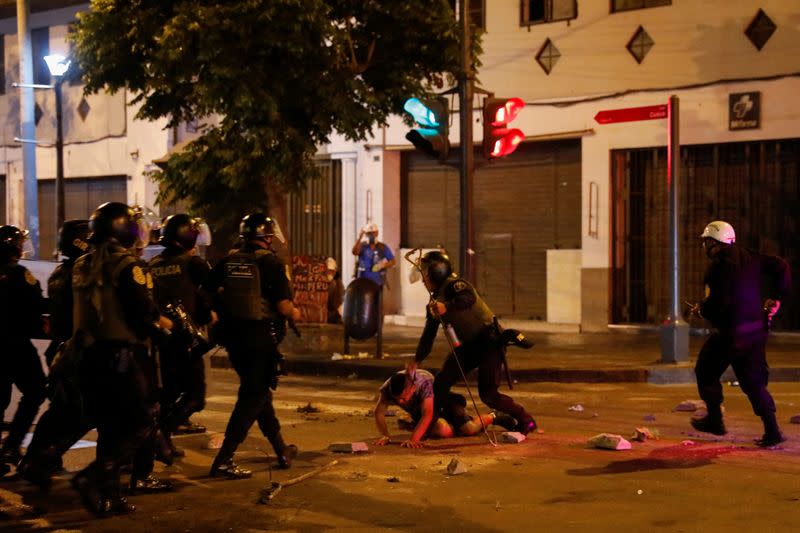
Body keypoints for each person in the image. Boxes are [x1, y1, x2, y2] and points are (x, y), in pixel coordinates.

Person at [70, 202, 173, 516]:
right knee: (142, 420)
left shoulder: (82, 264)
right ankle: (92, 477)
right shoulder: (130, 267)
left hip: (87, 356)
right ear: (124, 230)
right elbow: (143, 316)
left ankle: (109, 495)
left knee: (110, 426)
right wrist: (164, 328)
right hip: (123, 355)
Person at [204, 213, 301, 479]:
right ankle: (224, 458)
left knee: (259, 395)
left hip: (234, 341)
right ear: (267, 238)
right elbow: (283, 306)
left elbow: (207, 291)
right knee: (252, 398)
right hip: (260, 340)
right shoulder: (270, 263)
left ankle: (281, 449)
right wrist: (295, 313)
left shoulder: (228, 260)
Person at [408, 250, 537, 436]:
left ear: (437, 272)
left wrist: (448, 306)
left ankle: (527, 421)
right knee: (441, 382)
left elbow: (468, 298)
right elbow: (429, 333)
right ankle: (430, 422)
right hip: (467, 347)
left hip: (489, 342)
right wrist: (417, 360)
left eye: (426, 273)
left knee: (488, 395)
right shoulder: (434, 301)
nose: (423, 279)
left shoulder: (456, 286)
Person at [689, 221, 791, 447]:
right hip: (755, 331)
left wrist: (701, 309)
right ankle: (772, 430)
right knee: (754, 382)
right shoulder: (750, 256)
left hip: (730, 334)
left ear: (714, 243)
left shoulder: (717, 268)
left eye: (706, 242)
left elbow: (719, 303)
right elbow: (782, 266)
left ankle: (715, 421)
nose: (705, 247)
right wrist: (777, 297)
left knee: (705, 371)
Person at [17, 220, 91, 487]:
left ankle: (36, 458)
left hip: (60, 350)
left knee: (59, 409)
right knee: (82, 412)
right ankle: (43, 460)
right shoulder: (82, 272)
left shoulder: (60, 271)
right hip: (77, 352)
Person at [149, 214, 215, 455]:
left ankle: (162, 439)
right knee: (196, 397)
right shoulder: (193, 264)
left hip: (163, 339)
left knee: (170, 392)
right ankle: (161, 434)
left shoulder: (152, 264)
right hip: (187, 339)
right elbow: (211, 292)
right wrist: (209, 315)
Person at [0, 225, 47, 476]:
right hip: (15, 345)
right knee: (36, 390)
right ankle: (12, 444)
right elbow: (35, 308)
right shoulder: (19, 274)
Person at [373, 369, 516, 448]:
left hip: (444, 402)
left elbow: (428, 413)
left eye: (404, 398)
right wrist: (385, 435)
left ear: (413, 388)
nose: (401, 402)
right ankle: (417, 424)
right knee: (444, 431)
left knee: (469, 429)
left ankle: (494, 416)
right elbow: (379, 413)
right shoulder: (387, 389)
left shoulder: (424, 383)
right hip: (421, 410)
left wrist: (414, 439)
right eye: (398, 400)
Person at [326, 257, 344, 324]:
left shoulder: (337, 284)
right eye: (328, 271)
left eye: (332, 271)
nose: (329, 273)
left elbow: (339, 306)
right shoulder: (321, 283)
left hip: (333, 316)